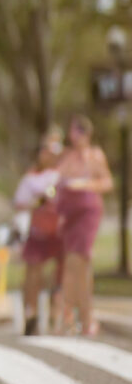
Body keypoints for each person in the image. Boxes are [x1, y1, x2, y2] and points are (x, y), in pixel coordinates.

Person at [56, 115, 112, 336]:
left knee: (81, 260)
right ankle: (69, 315)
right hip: (70, 212)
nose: (73, 137)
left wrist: (86, 184)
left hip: (88, 210)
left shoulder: (95, 156)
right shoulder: (67, 157)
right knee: (71, 265)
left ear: (86, 134)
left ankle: (86, 316)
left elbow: (107, 182)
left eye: (77, 132)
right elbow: (57, 181)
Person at [13, 133, 63, 336]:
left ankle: (56, 313)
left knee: (59, 272)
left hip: (59, 229)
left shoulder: (61, 175)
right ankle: (31, 315)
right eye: (45, 150)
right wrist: (37, 201)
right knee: (33, 274)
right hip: (37, 229)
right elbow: (19, 203)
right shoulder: (31, 177)